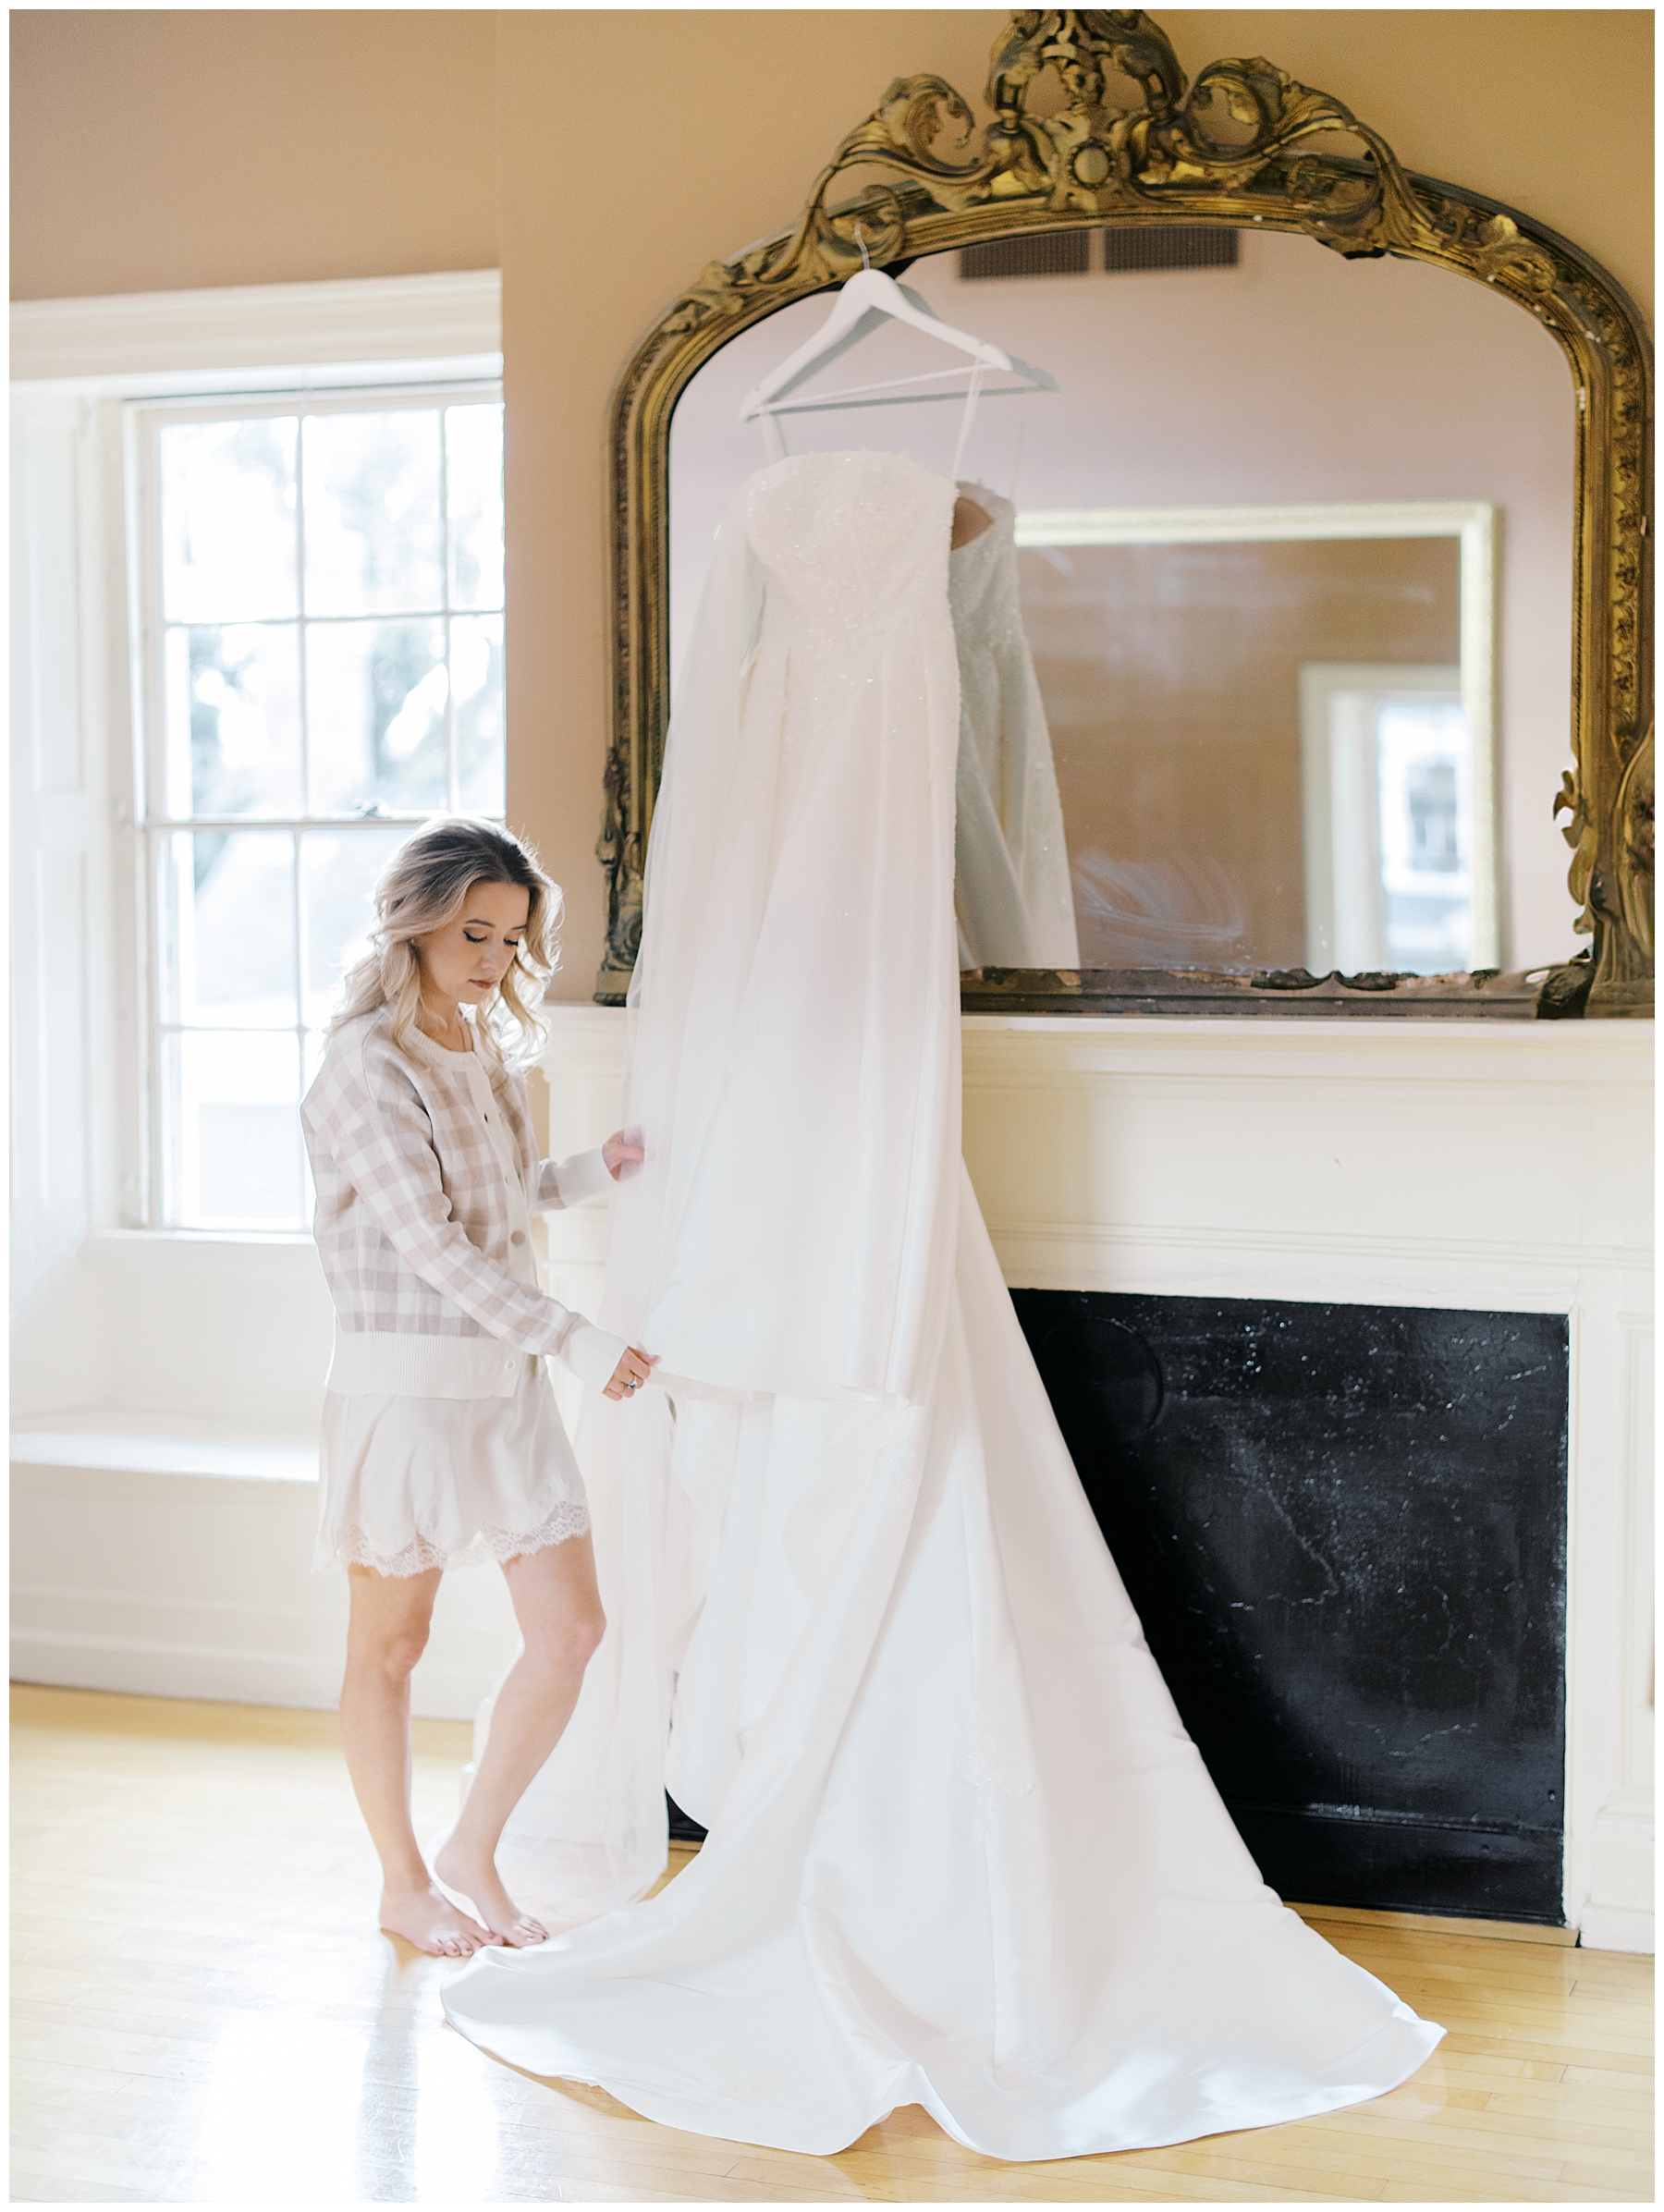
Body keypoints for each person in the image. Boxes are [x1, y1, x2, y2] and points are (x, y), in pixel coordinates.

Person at [300, 817, 655, 1960]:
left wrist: (595, 1170)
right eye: (474, 932)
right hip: (407, 1392)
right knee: (390, 1647)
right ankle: (404, 1882)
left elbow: (498, 1201)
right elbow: (430, 1243)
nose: (494, 958)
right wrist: (580, 1339)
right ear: (416, 921)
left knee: (572, 1628)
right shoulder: (366, 1061)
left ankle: (471, 1850)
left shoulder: (477, 1041)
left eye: (510, 937)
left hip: (501, 1383)